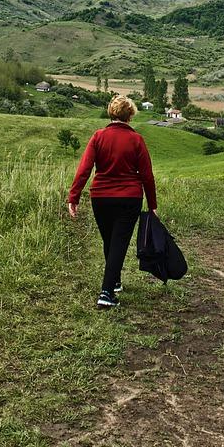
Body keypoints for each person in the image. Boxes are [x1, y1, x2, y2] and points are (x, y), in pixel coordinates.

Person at [67, 95, 158, 310]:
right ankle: (106, 292)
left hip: (101, 197)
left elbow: (84, 169)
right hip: (129, 198)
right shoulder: (136, 140)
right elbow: (147, 175)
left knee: (110, 241)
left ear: (111, 113)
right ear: (130, 116)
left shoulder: (98, 136)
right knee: (117, 243)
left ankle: (114, 281)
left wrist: (74, 196)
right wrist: (152, 204)